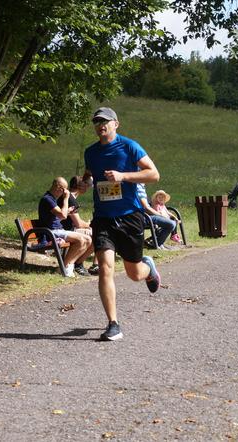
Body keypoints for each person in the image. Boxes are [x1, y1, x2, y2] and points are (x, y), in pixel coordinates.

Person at [83, 107, 161, 341]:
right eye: (97, 122)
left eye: (105, 121)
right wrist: (84, 181)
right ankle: (113, 324)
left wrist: (123, 176)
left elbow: (154, 174)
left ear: (116, 124)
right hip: (103, 217)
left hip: (129, 216)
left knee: (134, 273)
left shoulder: (129, 146)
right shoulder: (91, 152)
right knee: (105, 268)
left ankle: (149, 269)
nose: (100, 125)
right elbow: (90, 175)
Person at [37, 177, 92, 277]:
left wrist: (67, 211)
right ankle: (64, 267)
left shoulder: (52, 199)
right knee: (81, 240)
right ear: (59, 187)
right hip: (51, 232)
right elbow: (62, 215)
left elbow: (59, 216)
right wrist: (66, 199)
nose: (66, 192)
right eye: (64, 189)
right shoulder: (47, 199)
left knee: (88, 240)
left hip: (57, 230)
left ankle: (68, 265)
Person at [59, 175, 97, 275]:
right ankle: (78, 264)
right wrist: (89, 224)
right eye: (87, 186)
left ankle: (78, 263)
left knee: (97, 235)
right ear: (81, 186)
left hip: (68, 228)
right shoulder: (71, 199)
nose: (87, 189)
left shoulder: (70, 197)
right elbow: (79, 223)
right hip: (66, 230)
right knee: (96, 236)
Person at [137, 185, 177, 250]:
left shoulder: (140, 187)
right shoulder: (138, 187)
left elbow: (166, 211)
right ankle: (156, 244)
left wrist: (172, 216)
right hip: (143, 216)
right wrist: (161, 216)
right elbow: (146, 208)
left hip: (147, 216)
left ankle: (154, 243)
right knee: (171, 224)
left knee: (172, 223)